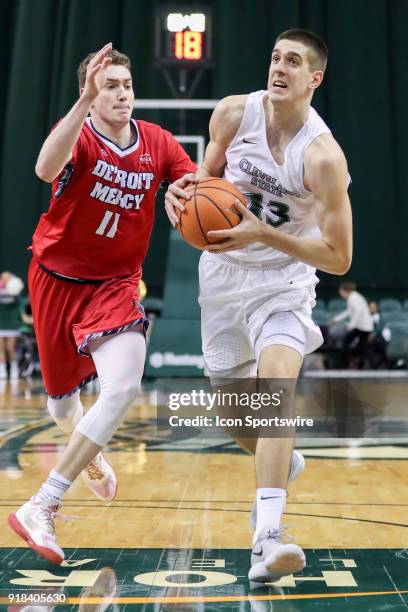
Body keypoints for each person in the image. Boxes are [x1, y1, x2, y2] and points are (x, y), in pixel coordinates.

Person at [165, 29, 352, 582]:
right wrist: (182, 195)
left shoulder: (322, 158)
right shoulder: (231, 114)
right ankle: (284, 460)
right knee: (233, 415)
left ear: (314, 79)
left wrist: (263, 237)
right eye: (275, 56)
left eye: (293, 62)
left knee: (275, 392)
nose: (279, 68)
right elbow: (205, 181)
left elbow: (339, 256)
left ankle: (267, 536)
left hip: (284, 280)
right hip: (222, 278)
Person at [7, 43, 196, 563]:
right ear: (90, 94)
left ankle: (42, 505)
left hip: (116, 286)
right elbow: (46, 169)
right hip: (56, 280)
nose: (120, 94)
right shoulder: (80, 136)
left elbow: (193, 184)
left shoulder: (156, 142)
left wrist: (191, 196)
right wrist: (83, 99)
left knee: (123, 385)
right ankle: (85, 449)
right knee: (62, 403)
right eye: (108, 86)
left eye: (125, 86)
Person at [332, 282, 373, 368]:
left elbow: (358, 312)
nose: (341, 295)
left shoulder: (353, 298)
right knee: (362, 347)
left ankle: (346, 364)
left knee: (346, 342)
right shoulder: (354, 297)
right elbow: (349, 311)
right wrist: (336, 319)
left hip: (363, 327)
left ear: (345, 291)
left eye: (341, 292)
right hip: (365, 327)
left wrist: (351, 325)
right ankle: (369, 366)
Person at [0, 271, 24, 380]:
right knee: (1, 349)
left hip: (12, 324)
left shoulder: (15, 290)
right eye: (3, 278)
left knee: (10, 348)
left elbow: (20, 306)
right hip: (1, 324)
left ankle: (14, 369)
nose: (5, 280)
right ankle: (2, 371)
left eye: (7, 278)